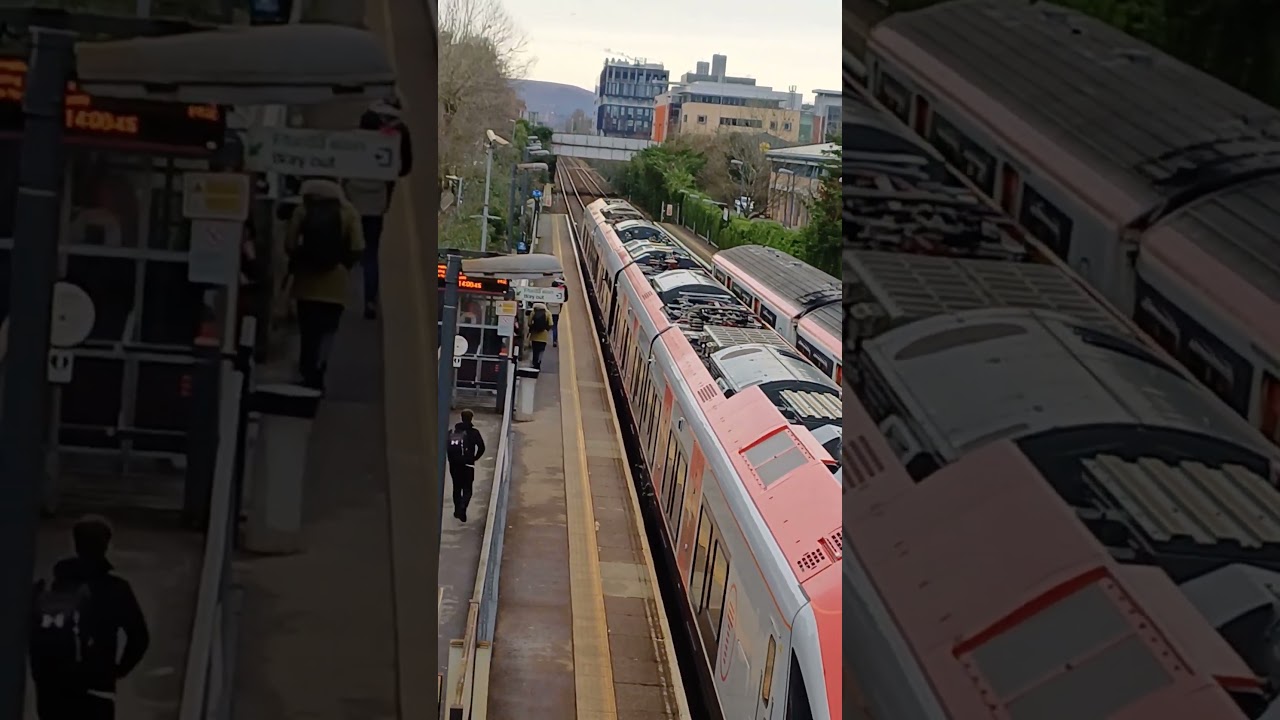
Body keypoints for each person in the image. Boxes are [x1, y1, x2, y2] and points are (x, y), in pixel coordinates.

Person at [29, 515, 150, 720]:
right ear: (105, 546)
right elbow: (139, 638)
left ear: (76, 544)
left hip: (54, 689)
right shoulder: (116, 589)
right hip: (97, 689)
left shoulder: (53, 587)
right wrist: (118, 670)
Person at [285, 179, 365, 392]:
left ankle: (306, 370)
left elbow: (290, 243)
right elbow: (358, 247)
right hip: (336, 284)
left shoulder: (302, 210)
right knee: (328, 330)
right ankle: (321, 369)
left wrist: (303, 259)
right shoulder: (349, 213)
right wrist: (342, 264)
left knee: (308, 332)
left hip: (306, 282)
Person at [344, 99, 413, 320]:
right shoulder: (396, 136)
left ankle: (337, 296)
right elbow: (405, 167)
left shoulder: (356, 135)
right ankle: (370, 301)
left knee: (346, 248)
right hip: (378, 200)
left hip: (351, 196)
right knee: (371, 253)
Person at [446, 409, 487, 522]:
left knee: (456, 487)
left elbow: (447, 447)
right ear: (471, 418)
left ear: (461, 417)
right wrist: (474, 458)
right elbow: (482, 448)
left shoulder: (453, 432)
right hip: (468, 465)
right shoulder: (474, 433)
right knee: (467, 488)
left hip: (454, 465)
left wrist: (452, 460)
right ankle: (463, 507)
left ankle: (457, 510)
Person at [527, 302, 552, 369]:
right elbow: (550, 324)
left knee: (535, 350)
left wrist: (533, 328)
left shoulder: (533, 312)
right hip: (544, 336)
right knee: (541, 350)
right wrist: (546, 329)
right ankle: (539, 362)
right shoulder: (548, 313)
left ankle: (534, 363)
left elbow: (529, 323)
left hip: (534, 335)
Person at [549, 278, 567, 347]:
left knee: (547, 324)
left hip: (549, 309)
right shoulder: (562, 289)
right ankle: (554, 341)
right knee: (555, 326)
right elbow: (566, 299)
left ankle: (543, 340)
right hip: (557, 309)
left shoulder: (550, 290)